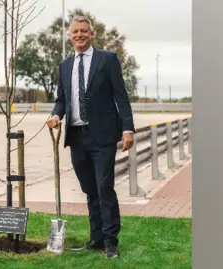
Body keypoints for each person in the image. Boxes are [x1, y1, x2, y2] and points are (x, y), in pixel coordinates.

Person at [46, 15, 135, 259]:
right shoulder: (65, 65)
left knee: (104, 187)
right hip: (77, 138)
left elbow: (121, 96)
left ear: (91, 34)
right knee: (90, 189)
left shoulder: (107, 59)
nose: (79, 35)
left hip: (103, 137)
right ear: (70, 35)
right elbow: (62, 99)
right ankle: (96, 238)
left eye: (84, 31)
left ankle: (110, 241)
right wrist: (56, 115)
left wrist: (128, 129)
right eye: (75, 31)